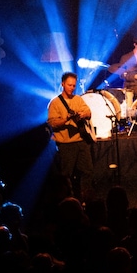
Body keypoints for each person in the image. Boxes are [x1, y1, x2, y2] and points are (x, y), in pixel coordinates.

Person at [47, 71, 95, 201]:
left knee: (87, 171)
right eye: (69, 85)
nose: (72, 88)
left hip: (81, 141)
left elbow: (88, 112)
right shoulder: (55, 102)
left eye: (74, 85)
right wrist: (66, 119)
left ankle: (85, 199)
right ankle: (67, 200)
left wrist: (82, 114)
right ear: (63, 84)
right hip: (66, 144)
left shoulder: (78, 99)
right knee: (66, 174)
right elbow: (53, 123)